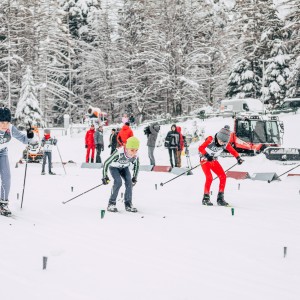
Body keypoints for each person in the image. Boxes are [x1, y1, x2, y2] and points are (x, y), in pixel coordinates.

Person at [198, 126, 244, 206]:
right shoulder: (210, 139)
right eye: (221, 141)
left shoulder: (225, 143)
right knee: (209, 177)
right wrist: (206, 155)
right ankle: (206, 198)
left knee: (223, 176)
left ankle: (220, 198)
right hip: (205, 160)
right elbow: (200, 148)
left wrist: (238, 158)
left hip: (213, 160)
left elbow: (232, 150)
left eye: (224, 142)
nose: (222, 143)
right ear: (218, 137)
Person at [0, 107, 34, 216]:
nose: (4, 125)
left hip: (2, 152)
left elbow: (24, 139)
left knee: (7, 177)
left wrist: (29, 134)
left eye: (7, 122)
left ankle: (3, 204)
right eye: (1, 122)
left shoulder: (10, 128)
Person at [102, 137, 140, 213]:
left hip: (124, 168)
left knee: (129, 182)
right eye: (132, 150)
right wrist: (105, 176)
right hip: (114, 168)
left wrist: (135, 177)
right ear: (126, 147)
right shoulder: (119, 152)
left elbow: (137, 165)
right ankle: (111, 203)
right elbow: (106, 162)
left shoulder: (135, 155)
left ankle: (128, 204)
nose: (134, 152)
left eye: (136, 150)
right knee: (118, 182)